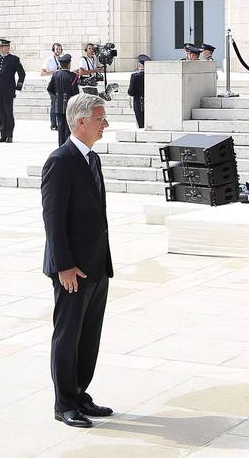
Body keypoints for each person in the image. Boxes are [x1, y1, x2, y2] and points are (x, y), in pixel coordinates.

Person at [40, 93, 113, 429]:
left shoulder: (92, 159)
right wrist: (63, 265)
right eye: (100, 119)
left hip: (96, 266)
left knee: (89, 336)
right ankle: (64, 403)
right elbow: (53, 219)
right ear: (81, 122)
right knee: (67, 336)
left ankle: (80, 393)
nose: (105, 125)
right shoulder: (61, 161)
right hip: (72, 269)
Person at [48, 54, 81, 146]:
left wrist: (57, 98)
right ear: (69, 64)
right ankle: (67, 146)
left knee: (61, 128)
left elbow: (50, 89)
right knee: (69, 128)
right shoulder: (73, 76)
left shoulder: (55, 75)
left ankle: (61, 146)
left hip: (58, 106)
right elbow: (75, 93)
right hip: (69, 105)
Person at [128, 54, 148, 129]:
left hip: (139, 102)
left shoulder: (135, 76)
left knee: (140, 125)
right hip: (149, 103)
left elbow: (131, 92)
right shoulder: (151, 75)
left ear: (140, 65)